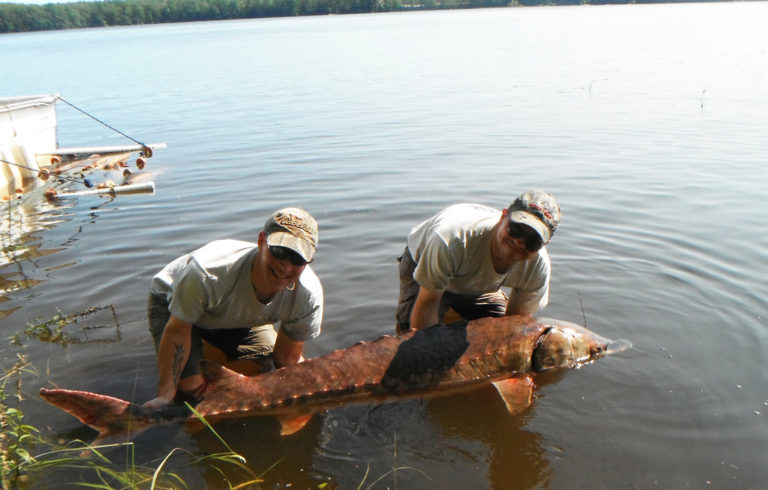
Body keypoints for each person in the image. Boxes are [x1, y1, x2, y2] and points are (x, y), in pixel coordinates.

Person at [144, 207, 323, 409]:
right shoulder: (209, 274)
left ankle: (210, 352)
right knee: (191, 389)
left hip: (238, 317)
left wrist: (309, 393)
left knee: (264, 369)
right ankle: (197, 354)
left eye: (298, 258)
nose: (286, 267)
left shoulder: (308, 295)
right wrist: (166, 393)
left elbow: (286, 359)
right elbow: (178, 330)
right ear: (262, 242)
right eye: (280, 251)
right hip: (175, 308)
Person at [395, 190, 561, 333]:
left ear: (544, 244)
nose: (519, 242)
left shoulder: (538, 268)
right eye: (516, 229)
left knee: (499, 330)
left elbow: (515, 324)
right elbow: (428, 303)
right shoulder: (452, 238)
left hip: (476, 282)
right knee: (408, 337)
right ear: (503, 217)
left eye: (533, 241)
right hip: (423, 263)